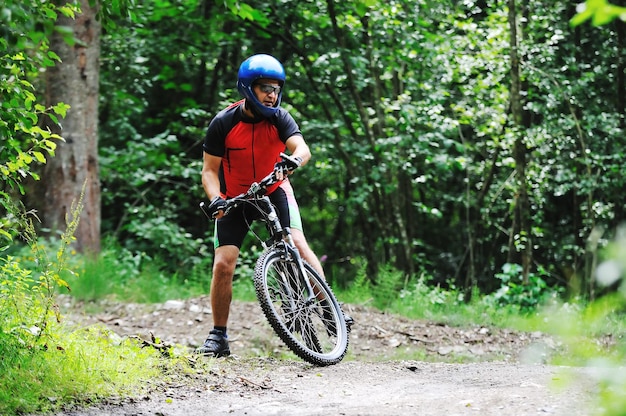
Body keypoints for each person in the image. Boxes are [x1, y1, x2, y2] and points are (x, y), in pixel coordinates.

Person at [196, 54, 349, 357]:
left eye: (277, 88)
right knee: (223, 264)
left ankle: (330, 308)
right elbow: (209, 171)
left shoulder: (280, 118)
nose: (272, 94)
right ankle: (218, 336)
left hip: (274, 189)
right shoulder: (223, 122)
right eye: (265, 87)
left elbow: (301, 148)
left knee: (300, 246)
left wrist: (295, 159)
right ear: (248, 88)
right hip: (235, 198)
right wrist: (216, 200)